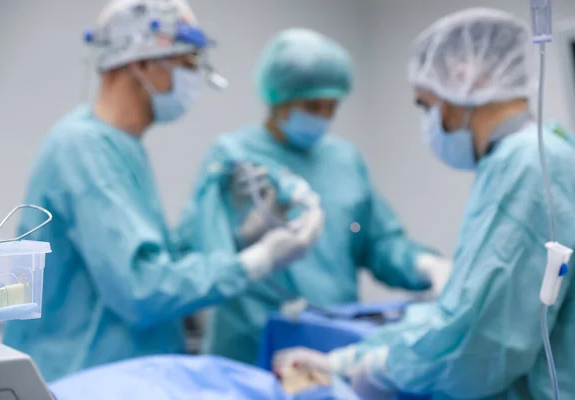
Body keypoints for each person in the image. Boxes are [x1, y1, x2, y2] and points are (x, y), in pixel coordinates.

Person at [3, 0, 323, 382]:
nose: (193, 79)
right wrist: (255, 261)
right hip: (84, 380)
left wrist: (239, 239)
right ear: (140, 62)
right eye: (186, 64)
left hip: (120, 376)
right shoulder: (82, 150)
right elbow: (142, 289)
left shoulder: (122, 148)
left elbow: (154, 261)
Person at [273, 8, 575, 399]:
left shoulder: (526, 166)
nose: (429, 120)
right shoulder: (529, 157)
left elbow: (477, 347)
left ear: (463, 78)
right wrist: (348, 360)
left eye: (424, 104)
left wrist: (382, 368)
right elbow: (457, 318)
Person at [178, 28, 451, 365]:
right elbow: (200, 255)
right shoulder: (234, 158)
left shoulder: (344, 161)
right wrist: (247, 242)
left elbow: (375, 241)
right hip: (249, 345)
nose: (322, 116)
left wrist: (425, 264)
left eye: (331, 106)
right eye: (312, 104)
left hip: (330, 342)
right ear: (278, 97)